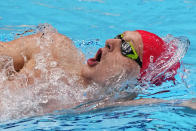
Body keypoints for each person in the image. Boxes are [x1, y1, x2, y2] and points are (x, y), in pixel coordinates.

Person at [0, 25, 194, 118]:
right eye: (119, 37)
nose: (110, 42)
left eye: (126, 48)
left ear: (139, 78)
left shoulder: (109, 106)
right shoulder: (52, 50)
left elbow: (172, 104)